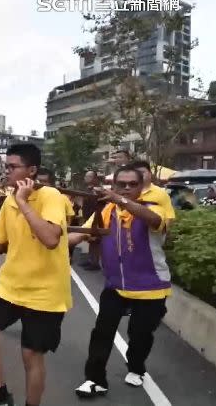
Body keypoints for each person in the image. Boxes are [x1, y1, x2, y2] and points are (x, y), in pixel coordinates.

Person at [0, 144, 72, 406]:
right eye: (6, 166)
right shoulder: (9, 200)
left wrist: (23, 201)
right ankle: (0, 396)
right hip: (12, 286)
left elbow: (51, 239)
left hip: (45, 292)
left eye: (12, 167)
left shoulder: (51, 196)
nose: (6, 172)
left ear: (31, 170)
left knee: (31, 355)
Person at [69, 166, 170, 397]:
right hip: (116, 285)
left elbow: (155, 221)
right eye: (121, 184)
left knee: (140, 334)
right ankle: (95, 380)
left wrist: (121, 200)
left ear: (140, 187)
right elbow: (81, 233)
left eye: (131, 184)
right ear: (113, 185)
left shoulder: (152, 208)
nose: (126, 188)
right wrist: (51, 241)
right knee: (102, 333)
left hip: (150, 287)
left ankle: (136, 367)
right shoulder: (106, 211)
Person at [128, 161, 176, 229]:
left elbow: (169, 217)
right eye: (136, 173)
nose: (139, 175)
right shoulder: (128, 192)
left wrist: (161, 231)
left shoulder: (161, 193)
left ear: (150, 174)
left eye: (142, 172)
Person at [78, 170, 103, 270]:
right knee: (90, 239)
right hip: (87, 217)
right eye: (86, 176)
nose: (86, 178)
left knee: (95, 240)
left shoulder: (98, 190)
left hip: (96, 218)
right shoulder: (87, 189)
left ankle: (95, 262)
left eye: (89, 176)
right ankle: (90, 259)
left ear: (95, 179)